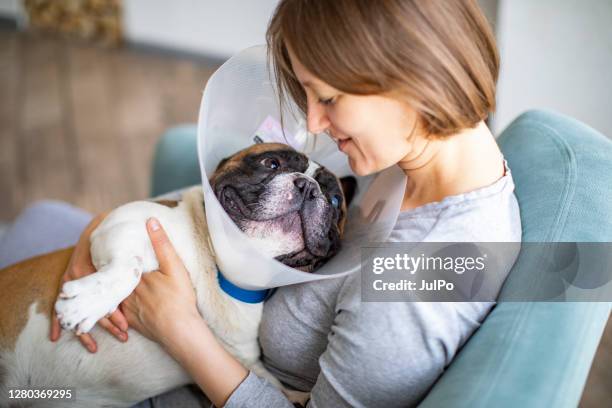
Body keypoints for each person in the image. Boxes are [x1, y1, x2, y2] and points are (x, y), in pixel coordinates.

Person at [0, 1, 521, 407]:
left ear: (412, 78)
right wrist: (113, 231)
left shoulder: (421, 278)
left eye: (330, 99)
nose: (313, 124)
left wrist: (178, 328)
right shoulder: (403, 154)